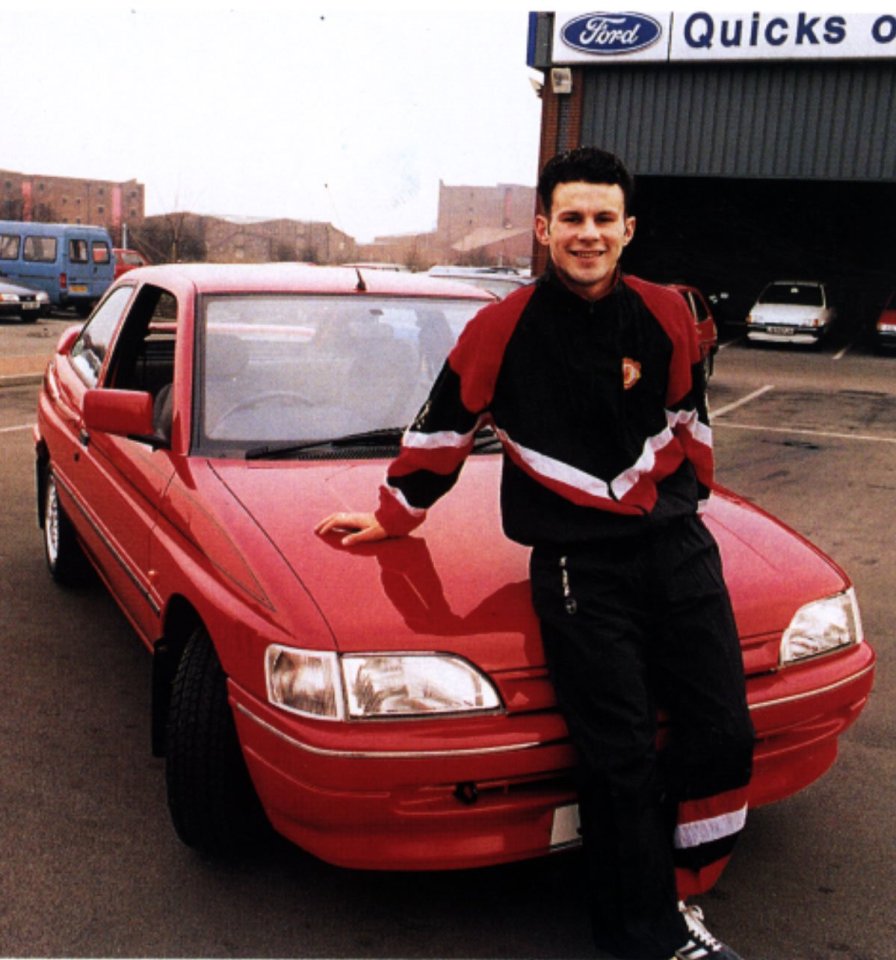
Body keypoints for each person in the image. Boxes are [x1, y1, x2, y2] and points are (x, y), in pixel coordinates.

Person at [316, 147, 755, 960]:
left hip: (678, 550)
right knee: (619, 758)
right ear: (546, 228)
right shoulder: (500, 327)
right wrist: (395, 515)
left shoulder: (666, 313)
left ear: (628, 230)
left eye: (603, 219)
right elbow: (442, 429)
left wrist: (694, 507)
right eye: (572, 220)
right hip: (577, 563)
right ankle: (644, 938)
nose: (587, 235)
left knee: (724, 732)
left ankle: (685, 891)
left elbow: (692, 425)